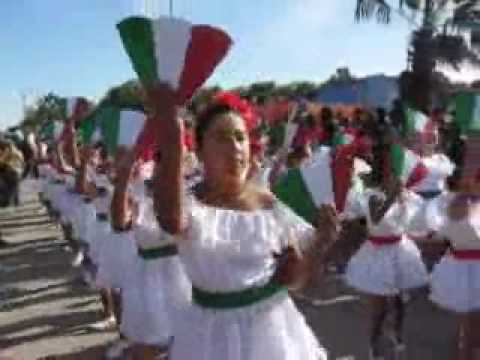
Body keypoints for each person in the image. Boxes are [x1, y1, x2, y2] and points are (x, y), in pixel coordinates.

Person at [148, 84, 338, 360]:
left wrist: (320, 244)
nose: (235, 147)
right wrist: (172, 135)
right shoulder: (189, 205)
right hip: (210, 340)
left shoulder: (269, 204)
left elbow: (294, 281)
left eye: (240, 137)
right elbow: (170, 220)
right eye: (222, 138)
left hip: (273, 337)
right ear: (199, 151)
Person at [343, 142, 429, 360]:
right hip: (377, 253)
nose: (394, 174)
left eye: (396, 170)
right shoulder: (372, 193)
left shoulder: (404, 195)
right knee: (379, 309)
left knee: (400, 303)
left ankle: (397, 335)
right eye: (390, 169)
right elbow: (376, 217)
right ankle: (373, 345)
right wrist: (392, 195)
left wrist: (402, 197)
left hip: (400, 250)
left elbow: (414, 222)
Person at [0, 138, 24, 207]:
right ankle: (16, 202)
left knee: (9, 188)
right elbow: (22, 161)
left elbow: (2, 161)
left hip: (10, 171)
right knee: (15, 187)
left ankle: (8, 202)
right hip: (17, 171)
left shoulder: (7, 152)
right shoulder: (18, 152)